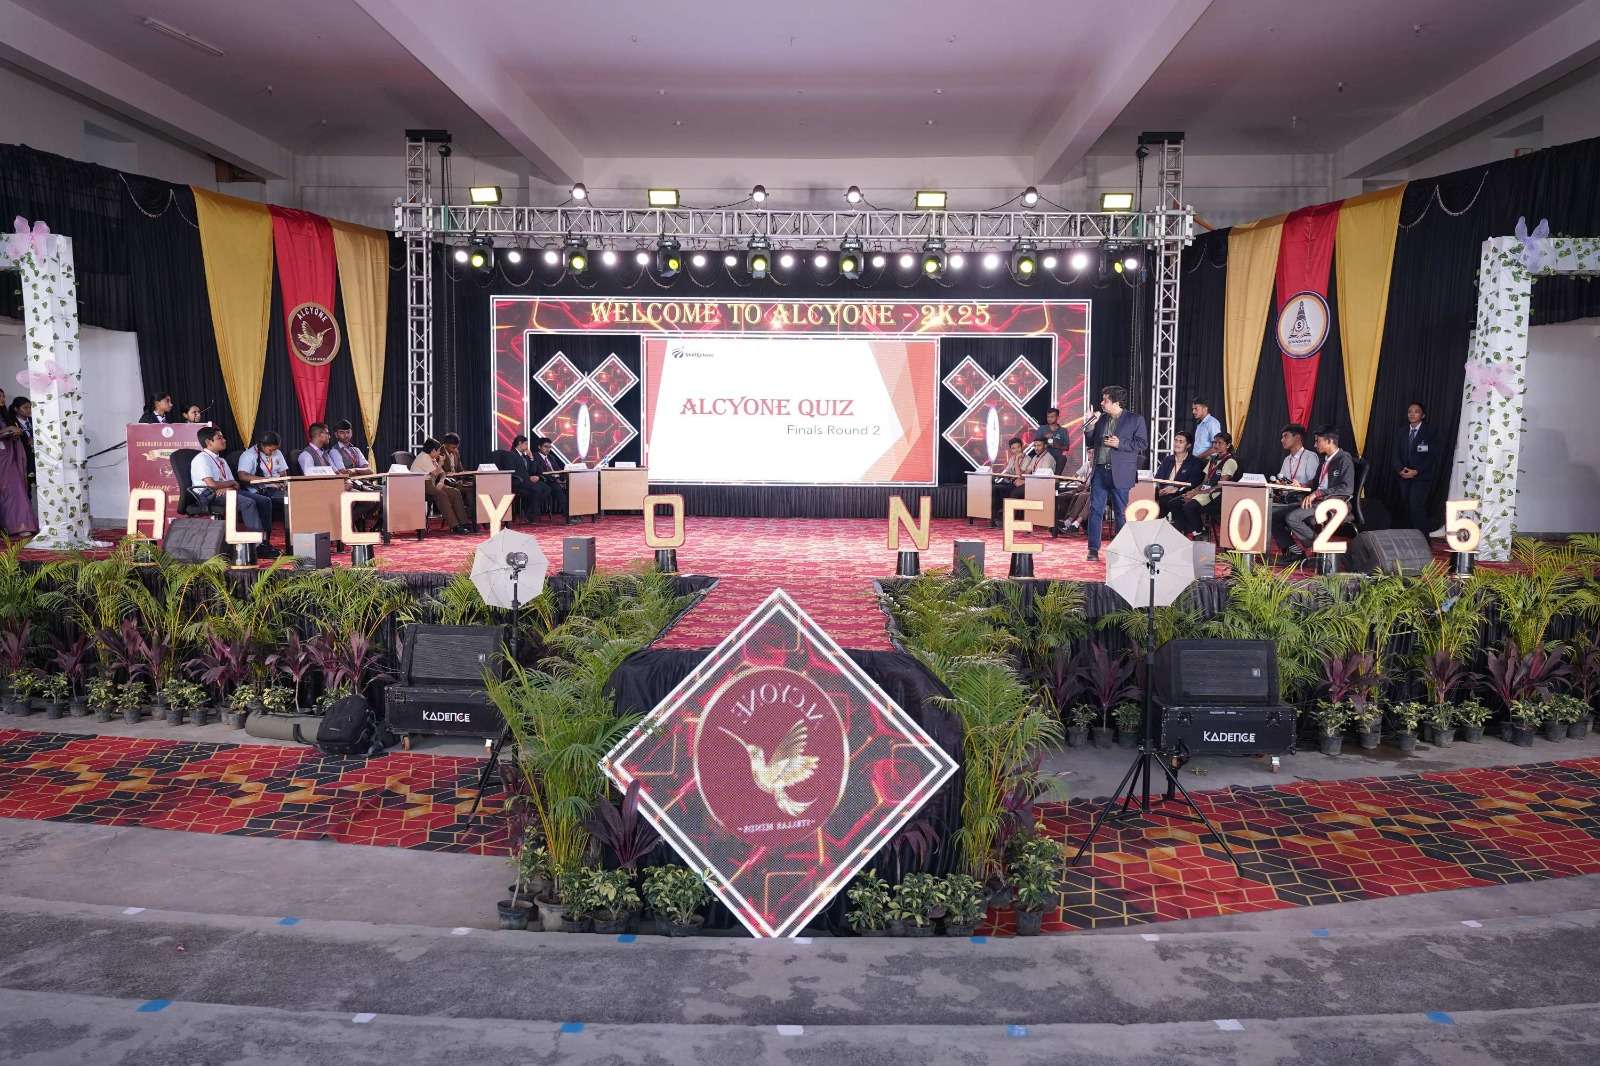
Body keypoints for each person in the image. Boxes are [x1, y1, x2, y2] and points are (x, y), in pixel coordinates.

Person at [1082, 385, 1148, 562]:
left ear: (1116, 402)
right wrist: (1090, 424)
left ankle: (1121, 551)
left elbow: (1142, 443)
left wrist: (1120, 444)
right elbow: (1090, 442)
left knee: (1120, 512)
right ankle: (1093, 550)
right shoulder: (1101, 419)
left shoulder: (1135, 419)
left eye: (1105, 400)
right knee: (1095, 510)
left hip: (1121, 472)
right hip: (1100, 470)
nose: (1102, 403)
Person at [189, 427, 274, 554]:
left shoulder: (221, 460)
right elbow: (211, 484)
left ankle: (265, 541)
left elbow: (236, 485)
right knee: (248, 503)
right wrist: (228, 485)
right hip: (209, 495)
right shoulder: (202, 459)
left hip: (226, 492)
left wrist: (227, 486)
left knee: (265, 501)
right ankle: (256, 546)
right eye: (219, 438)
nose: (224, 440)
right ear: (208, 442)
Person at [1284, 427, 1355, 556]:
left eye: (1318, 441)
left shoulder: (1344, 459)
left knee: (1292, 518)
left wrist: (1317, 493)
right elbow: (1316, 484)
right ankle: (1314, 548)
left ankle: (1319, 548)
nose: (1315, 445)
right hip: (1318, 501)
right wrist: (1302, 485)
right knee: (1278, 514)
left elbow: (1347, 488)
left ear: (1329, 441)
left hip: (1331, 503)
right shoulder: (1324, 461)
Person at [1172, 432, 1239, 539]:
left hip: (1215, 494)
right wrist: (1193, 491)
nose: (1216, 445)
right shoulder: (1213, 459)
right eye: (1214, 442)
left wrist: (1197, 493)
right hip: (1204, 491)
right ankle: (1184, 530)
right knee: (1174, 502)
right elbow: (1205, 481)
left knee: (1189, 506)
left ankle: (1200, 531)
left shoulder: (1230, 461)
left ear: (1228, 445)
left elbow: (1221, 486)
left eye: (1220, 443)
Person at [1268, 423, 1319, 554]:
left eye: (1286, 436)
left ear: (1297, 438)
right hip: (1288, 499)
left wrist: (1300, 485)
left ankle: (1302, 550)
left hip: (1303, 499)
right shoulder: (1287, 459)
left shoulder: (1310, 456)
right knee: (1267, 512)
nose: (1282, 440)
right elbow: (1282, 481)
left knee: (1272, 515)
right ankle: (1293, 551)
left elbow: (1314, 484)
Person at [1392, 401, 1438, 533]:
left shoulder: (1430, 432)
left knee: (1416, 506)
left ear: (1423, 415)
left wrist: (1417, 471)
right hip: (1404, 476)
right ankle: (1410, 537)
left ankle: (1423, 538)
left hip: (1421, 477)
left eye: (1416, 411)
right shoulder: (1401, 431)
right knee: (1407, 507)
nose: (1412, 414)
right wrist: (1400, 470)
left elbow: (1432, 456)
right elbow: (1395, 454)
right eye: (1410, 411)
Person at [237, 431, 289, 546]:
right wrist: (268, 481)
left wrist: (283, 483)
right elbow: (242, 476)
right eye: (271, 450)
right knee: (286, 501)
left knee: (295, 497)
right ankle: (265, 542)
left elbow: (283, 473)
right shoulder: (249, 455)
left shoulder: (277, 453)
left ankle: (295, 539)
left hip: (277, 487)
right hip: (260, 489)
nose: (273, 452)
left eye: (275, 450)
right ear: (262, 445)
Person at [410, 437, 473, 534]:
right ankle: (454, 526)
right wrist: (440, 463)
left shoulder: (432, 458)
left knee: (455, 492)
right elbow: (435, 473)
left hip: (432, 483)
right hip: (420, 484)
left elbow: (442, 473)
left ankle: (464, 523)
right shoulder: (424, 457)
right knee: (441, 494)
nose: (439, 453)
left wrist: (441, 482)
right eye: (438, 450)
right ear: (433, 450)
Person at [0, 397, 37, 537]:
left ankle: (21, 525)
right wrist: (8, 429)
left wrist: (13, 433)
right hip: (3, 458)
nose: (2, 399)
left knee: (16, 490)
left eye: (3, 396)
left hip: (9, 455)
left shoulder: (6, 417)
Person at [1153, 430, 1205, 521]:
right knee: (1147, 498)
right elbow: (1158, 477)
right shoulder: (1168, 459)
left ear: (1188, 445)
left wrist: (1176, 488)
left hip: (1180, 493)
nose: (1177, 444)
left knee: (1164, 502)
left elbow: (1193, 483)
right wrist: (1160, 490)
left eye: (1181, 442)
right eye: (1175, 440)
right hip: (1163, 492)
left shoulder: (1195, 462)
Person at [531, 436, 572, 521]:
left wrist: (562, 479)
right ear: (539, 447)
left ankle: (575, 513)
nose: (548, 449)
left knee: (571, 488)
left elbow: (558, 470)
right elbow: (538, 472)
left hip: (555, 480)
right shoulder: (534, 457)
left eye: (549, 447)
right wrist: (554, 478)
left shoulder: (551, 457)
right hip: (545, 481)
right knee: (558, 489)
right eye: (545, 447)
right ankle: (568, 516)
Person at [989, 437, 1027, 526]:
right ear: (1011, 450)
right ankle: (994, 518)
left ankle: (1007, 520)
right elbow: (1008, 471)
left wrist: (1017, 460)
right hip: (1011, 482)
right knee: (994, 488)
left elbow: (1019, 475)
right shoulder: (1012, 458)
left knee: (1011, 491)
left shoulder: (1027, 459)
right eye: (1013, 448)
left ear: (1022, 447)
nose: (1016, 450)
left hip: (1021, 484)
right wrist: (1001, 475)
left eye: (1018, 447)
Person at [506, 434, 545, 520]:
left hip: (527, 480)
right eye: (526, 444)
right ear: (520, 443)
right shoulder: (511, 454)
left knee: (546, 488)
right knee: (537, 489)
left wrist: (531, 457)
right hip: (518, 482)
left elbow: (533, 470)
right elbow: (511, 471)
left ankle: (529, 510)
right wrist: (526, 478)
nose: (527, 446)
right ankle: (532, 515)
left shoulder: (524, 455)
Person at [8, 397, 34, 484]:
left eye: (30, 407)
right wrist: (27, 442)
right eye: (25, 407)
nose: (29, 410)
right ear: (16, 409)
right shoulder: (11, 423)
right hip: (23, 458)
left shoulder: (34, 420)